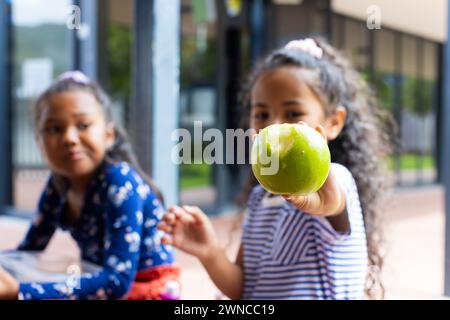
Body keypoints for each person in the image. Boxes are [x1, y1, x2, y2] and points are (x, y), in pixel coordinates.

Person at [158, 38, 392, 300]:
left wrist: (329, 203)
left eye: (293, 114)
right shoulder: (259, 199)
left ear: (333, 122)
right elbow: (244, 289)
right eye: (261, 115)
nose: (273, 126)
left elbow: (334, 201)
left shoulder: (334, 182)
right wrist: (209, 252)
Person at [0, 71, 180, 300]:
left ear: (108, 135)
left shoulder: (120, 182)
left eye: (83, 125)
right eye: (54, 129)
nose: (70, 138)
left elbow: (117, 282)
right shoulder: (57, 185)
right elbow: (28, 253)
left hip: (148, 291)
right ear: (39, 141)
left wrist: (20, 292)